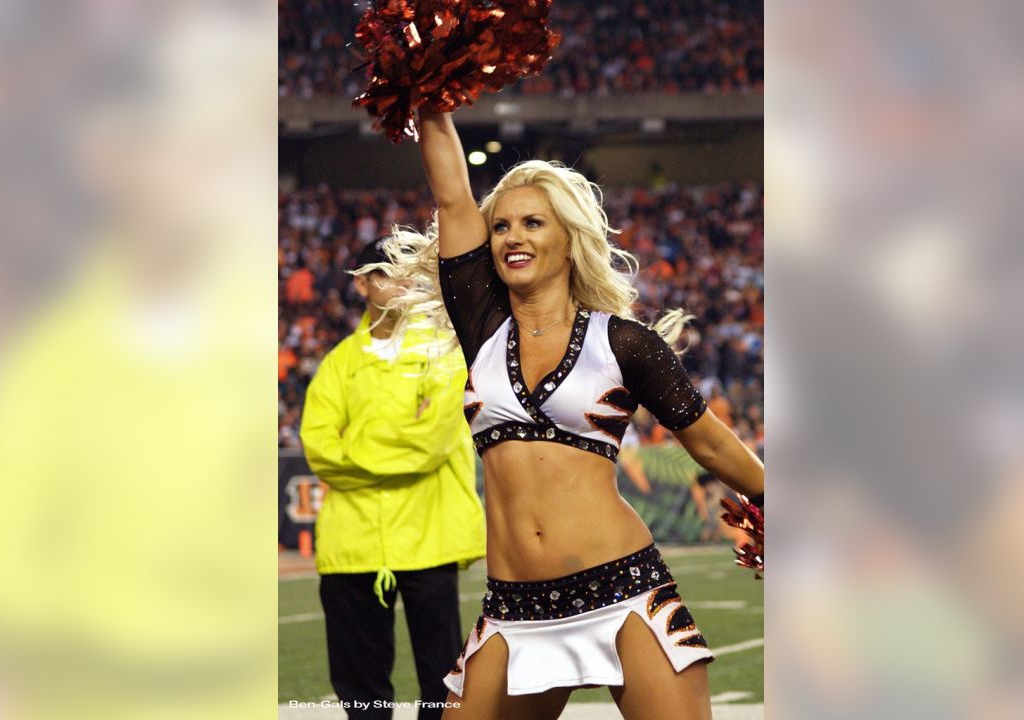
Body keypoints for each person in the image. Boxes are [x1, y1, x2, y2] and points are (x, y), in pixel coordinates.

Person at [377, 111, 765, 720]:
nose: (512, 237)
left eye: (533, 223)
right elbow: (453, 199)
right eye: (501, 226)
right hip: (513, 608)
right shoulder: (482, 329)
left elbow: (711, 445)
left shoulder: (625, 343)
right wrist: (431, 98)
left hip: (623, 590)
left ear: (569, 240)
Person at [299, 237, 486, 720]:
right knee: (359, 686)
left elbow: (434, 442)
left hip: (428, 538)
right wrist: (399, 441)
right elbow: (320, 449)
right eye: (385, 272)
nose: (401, 282)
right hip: (352, 545)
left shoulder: (445, 353)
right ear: (361, 284)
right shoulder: (338, 363)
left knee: (440, 681)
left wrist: (355, 452)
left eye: (407, 271)